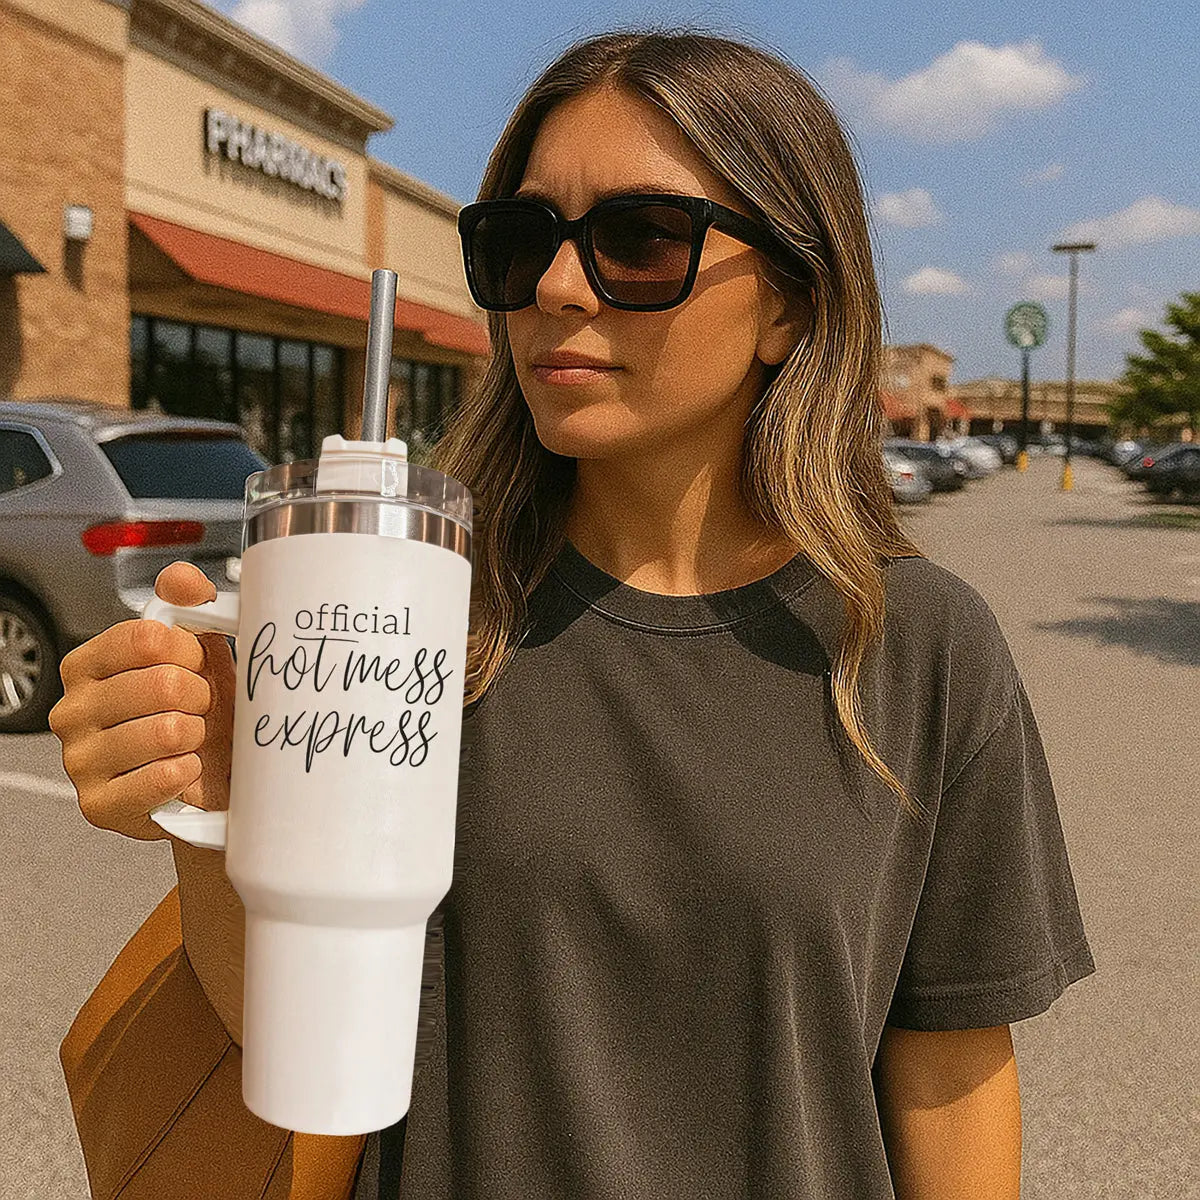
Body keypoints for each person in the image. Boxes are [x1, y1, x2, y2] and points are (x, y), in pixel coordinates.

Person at [51, 26, 1095, 1200]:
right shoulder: (419, 617)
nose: (553, 288)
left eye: (638, 239)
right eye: (519, 241)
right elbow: (298, 1050)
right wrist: (217, 812)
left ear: (790, 310)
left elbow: (951, 1077)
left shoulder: (912, 645)